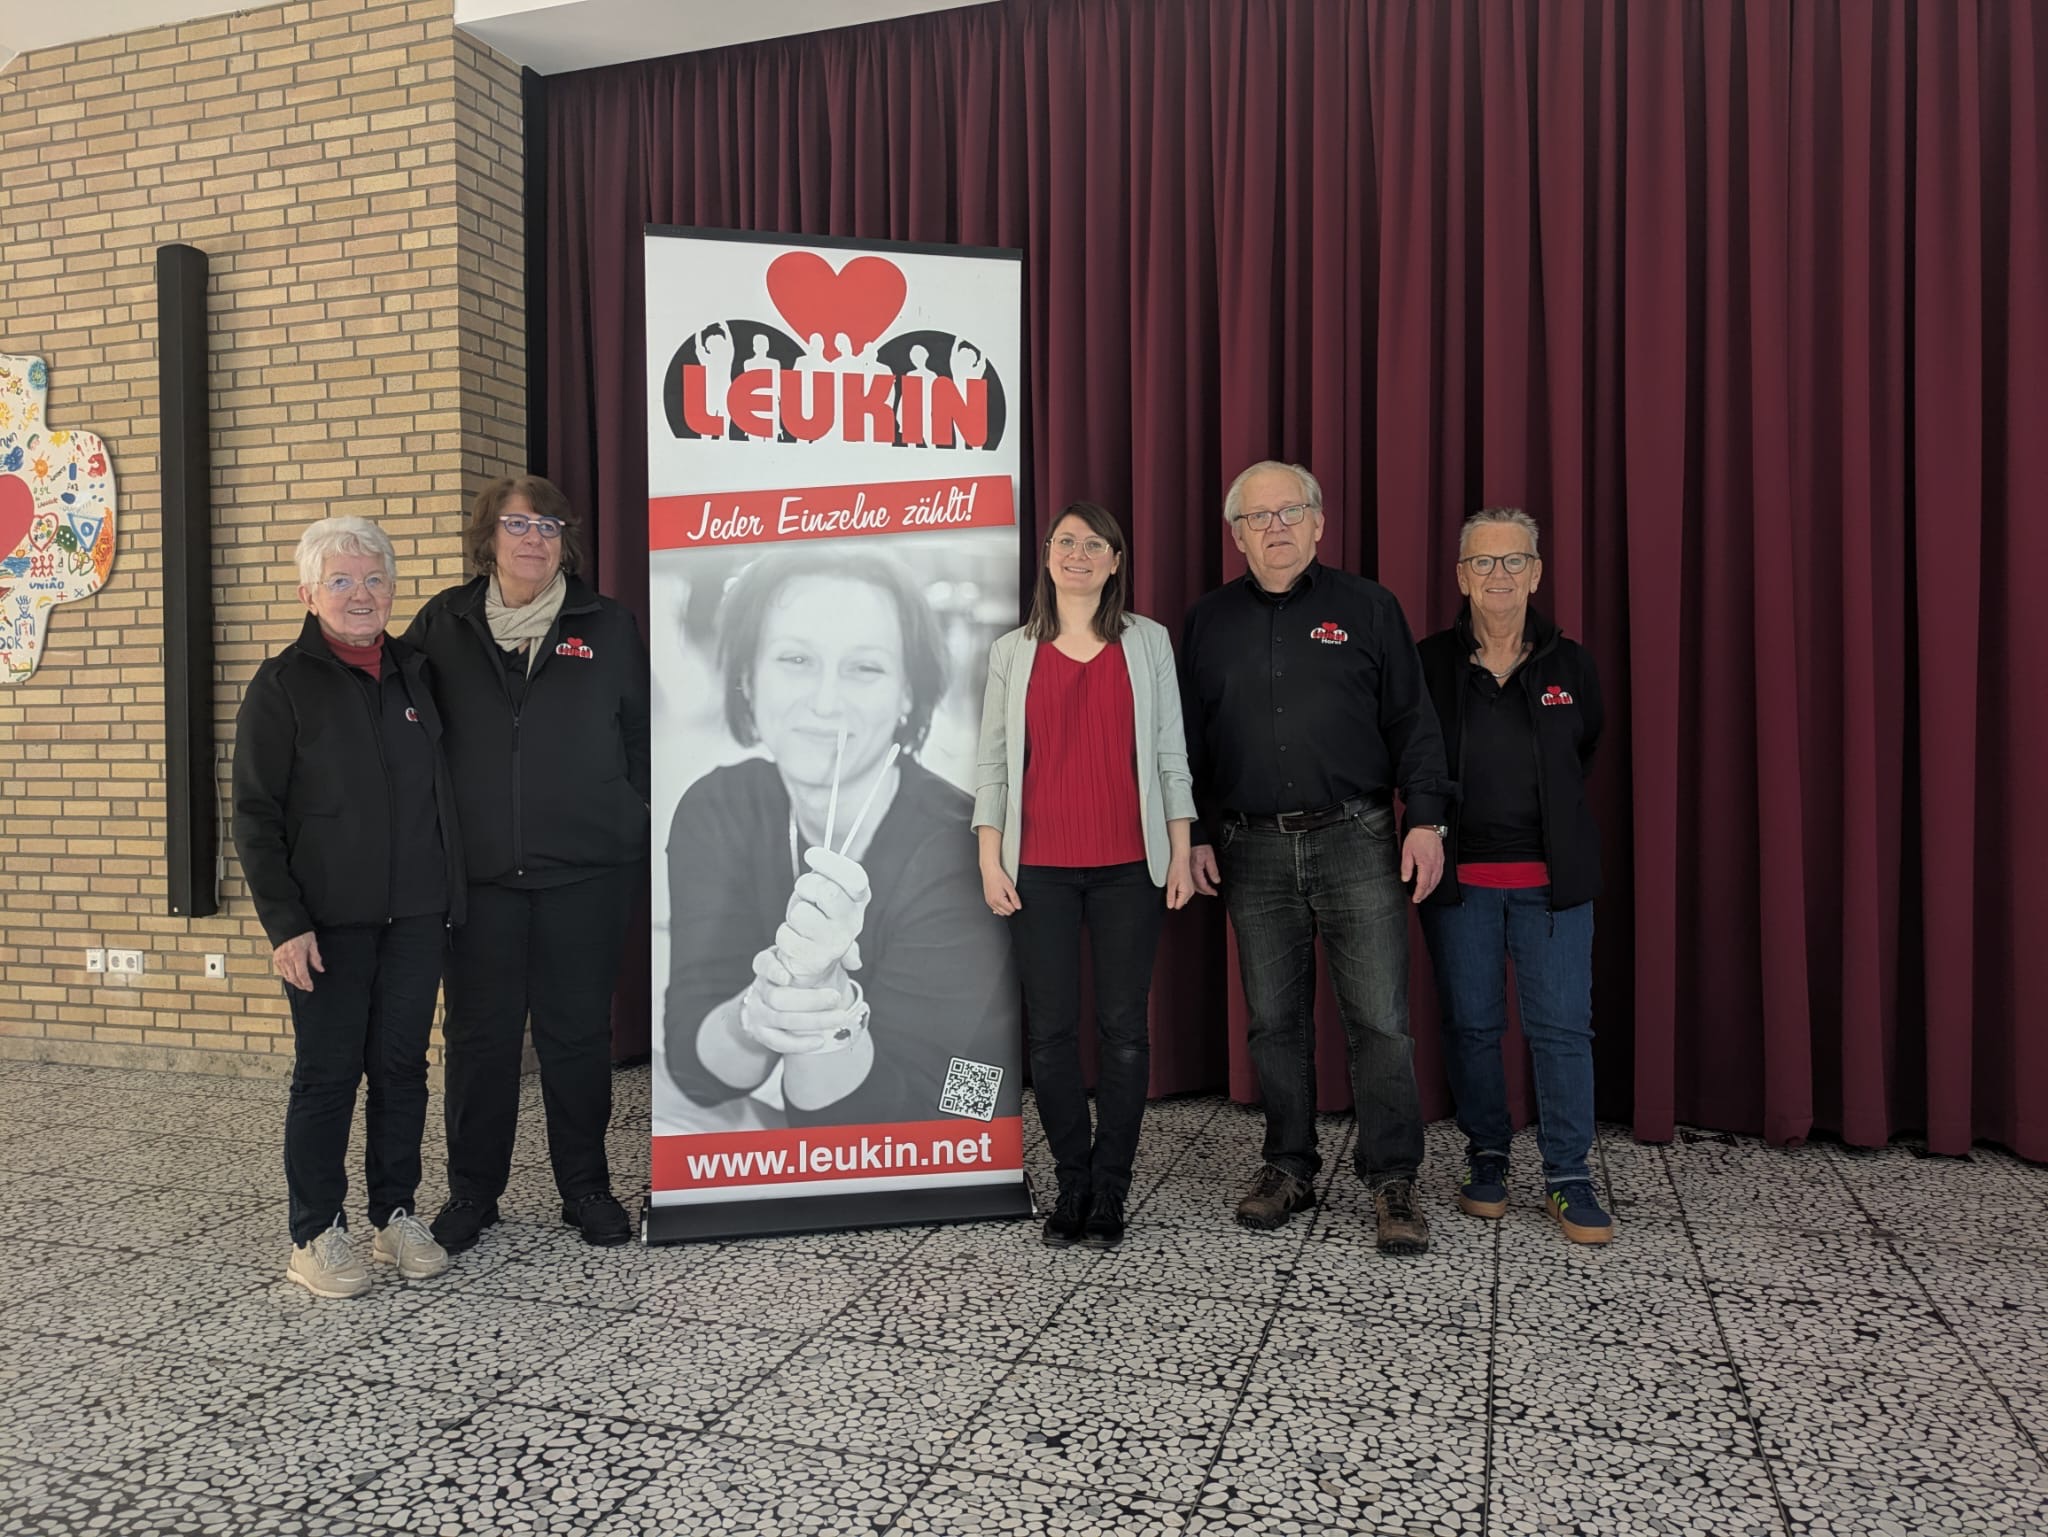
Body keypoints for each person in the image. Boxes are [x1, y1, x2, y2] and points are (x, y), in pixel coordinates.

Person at [1179, 460, 1454, 1255]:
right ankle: (1288, 1165)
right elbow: (1186, 739)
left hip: (1356, 838)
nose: (1276, 527)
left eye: (1290, 511)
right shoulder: (1206, 621)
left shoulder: (1369, 607)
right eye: (1257, 516)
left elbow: (1412, 720)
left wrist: (1426, 819)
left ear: (1319, 522)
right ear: (1236, 535)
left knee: (1381, 1021)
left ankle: (1392, 1177)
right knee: (1274, 1020)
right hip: (1250, 846)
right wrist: (1192, 831)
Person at [663, 547, 1021, 1128]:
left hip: (963, 1107)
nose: (825, 702)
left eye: (865, 668)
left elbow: (878, 1120)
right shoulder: (719, 809)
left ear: (908, 692)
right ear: (748, 677)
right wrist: (759, 1013)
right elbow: (696, 1070)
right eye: (796, 658)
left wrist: (821, 995)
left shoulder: (959, 845)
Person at [405, 476, 649, 1251]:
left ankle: (586, 1187)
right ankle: (473, 1193)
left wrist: (627, 810)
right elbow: (407, 732)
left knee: (576, 1037)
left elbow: (641, 735)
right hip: (479, 881)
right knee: (481, 1041)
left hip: (586, 873)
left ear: (565, 541)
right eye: (517, 524)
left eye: (549, 526)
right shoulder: (443, 623)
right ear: (489, 536)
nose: (533, 539)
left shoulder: (606, 624)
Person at [232, 516, 464, 1296]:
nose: (359, 594)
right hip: (326, 924)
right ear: (309, 593)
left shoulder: (416, 674)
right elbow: (254, 814)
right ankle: (315, 1233)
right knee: (327, 1075)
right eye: (340, 580)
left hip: (416, 916)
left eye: (372, 579)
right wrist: (285, 923)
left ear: (392, 589)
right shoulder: (282, 684)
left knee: (402, 1069)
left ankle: (395, 1214)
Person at [973, 502, 1198, 1249]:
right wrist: (989, 857)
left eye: (1093, 543)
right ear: (1046, 556)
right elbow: (994, 763)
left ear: (1114, 561)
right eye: (1065, 541)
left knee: (1124, 1031)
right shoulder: (1012, 653)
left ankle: (1111, 1186)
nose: (1078, 554)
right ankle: (1072, 1178)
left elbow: (1170, 752)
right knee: (1051, 1034)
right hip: (1036, 868)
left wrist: (1179, 849)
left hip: (1131, 867)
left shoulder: (1149, 642)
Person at [1417, 508, 1611, 1244]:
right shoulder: (1429, 663)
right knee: (1472, 1026)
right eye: (1483, 561)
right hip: (1460, 883)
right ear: (1462, 576)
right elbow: (1414, 758)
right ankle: (1487, 1155)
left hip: (1552, 886)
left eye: (1514, 561)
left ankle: (1568, 1174)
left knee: (1561, 1030)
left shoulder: (1573, 665)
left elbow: (1585, 747)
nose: (1498, 574)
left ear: (1536, 573)